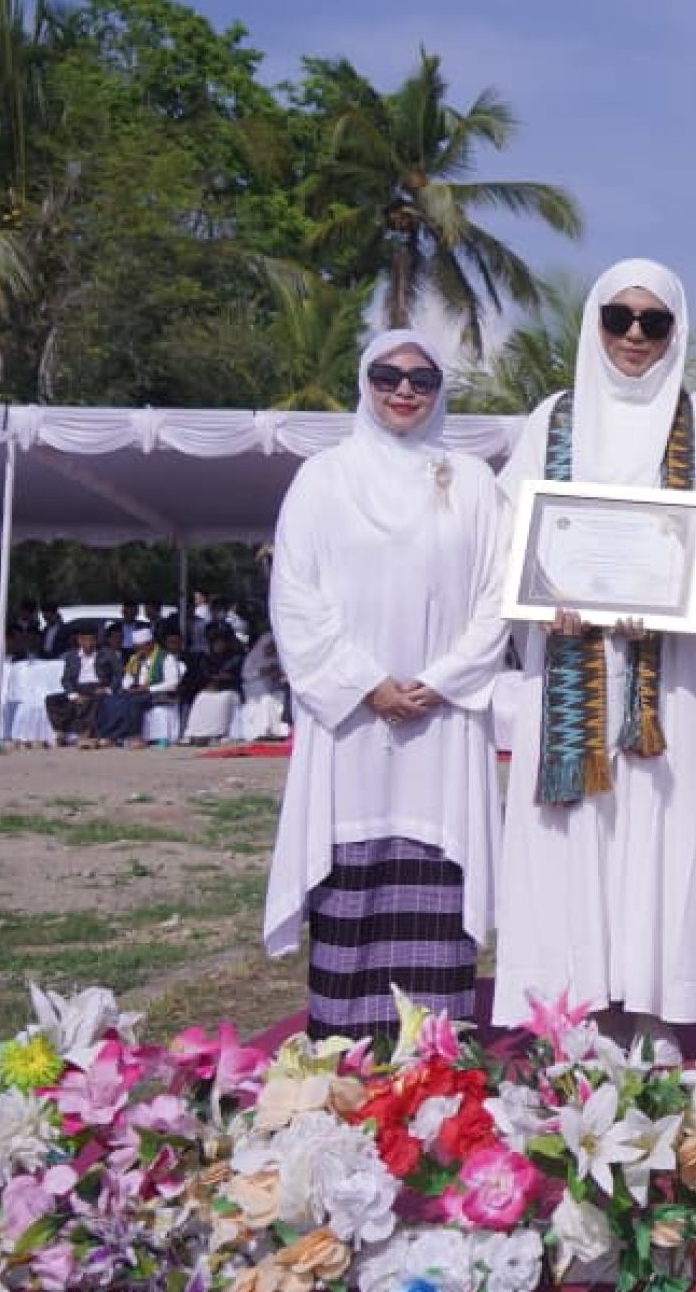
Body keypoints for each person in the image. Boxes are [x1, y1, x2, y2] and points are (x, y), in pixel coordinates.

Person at [490, 259, 696, 1035]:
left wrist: (671, 592)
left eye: (653, 321)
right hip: (568, 659)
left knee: (662, 833)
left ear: (675, 330)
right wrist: (541, 593)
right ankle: (574, 1013)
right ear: (595, 323)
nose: (634, 335)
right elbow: (511, 528)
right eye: (618, 318)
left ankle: (656, 1016)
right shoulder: (554, 418)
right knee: (571, 836)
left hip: (667, 676)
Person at [260, 330, 509, 1039]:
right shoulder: (323, 479)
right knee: (352, 866)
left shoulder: (473, 483)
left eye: (421, 379)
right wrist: (367, 684)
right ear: (364, 382)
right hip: (353, 723)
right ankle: (344, 1041)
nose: (404, 390)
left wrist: (440, 680)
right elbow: (295, 595)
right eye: (387, 375)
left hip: (442, 717)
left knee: (435, 873)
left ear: (439, 390)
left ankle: (434, 1048)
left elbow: (499, 595)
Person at [96, 629, 181, 746]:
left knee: (133, 703)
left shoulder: (166, 657)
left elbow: (173, 683)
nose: (139, 651)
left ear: (150, 644)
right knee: (110, 701)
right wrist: (128, 686)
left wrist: (147, 688)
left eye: (141, 647)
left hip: (156, 692)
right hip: (136, 690)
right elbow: (127, 678)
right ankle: (109, 736)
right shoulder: (135, 659)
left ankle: (134, 735)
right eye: (136, 648)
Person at [48, 624, 120, 746]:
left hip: (98, 687)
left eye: (91, 640)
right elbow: (66, 679)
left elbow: (118, 674)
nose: (88, 643)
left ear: (96, 640)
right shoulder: (72, 656)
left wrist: (108, 689)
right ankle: (61, 733)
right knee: (52, 700)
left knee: (94, 700)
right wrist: (73, 695)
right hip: (78, 688)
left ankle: (87, 734)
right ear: (79, 640)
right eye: (84, 639)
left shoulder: (107, 654)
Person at [182, 623, 246, 746]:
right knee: (201, 698)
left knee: (223, 699)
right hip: (212, 689)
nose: (218, 645)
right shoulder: (209, 658)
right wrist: (212, 681)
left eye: (221, 642)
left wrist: (224, 679)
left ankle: (217, 733)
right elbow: (205, 674)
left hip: (231, 690)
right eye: (216, 643)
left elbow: (238, 676)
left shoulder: (237, 657)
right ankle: (195, 733)